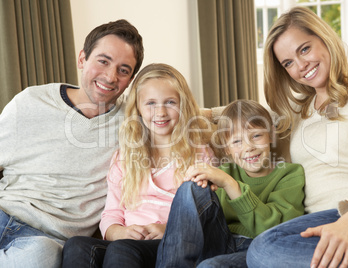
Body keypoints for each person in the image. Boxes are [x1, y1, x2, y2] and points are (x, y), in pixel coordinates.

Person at [246, 6, 348, 268]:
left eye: (304, 49)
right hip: (314, 227)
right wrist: (188, 111)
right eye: (288, 63)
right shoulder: (297, 114)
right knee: (214, 265)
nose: (300, 65)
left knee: (262, 249)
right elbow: (244, 117)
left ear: (324, 38)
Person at [0, 19, 144, 267]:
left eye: (123, 70)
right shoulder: (30, 102)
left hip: (45, 241)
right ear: (82, 59)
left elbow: (187, 113)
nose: (110, 76)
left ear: (130, 79)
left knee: (38, 257)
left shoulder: (133, 121)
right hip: (5, 214)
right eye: (103, 61)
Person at [62, 63, 215, 268]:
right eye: (150, 103)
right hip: (129, 240)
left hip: (173, 243)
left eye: (170, 102)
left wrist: (168, 229)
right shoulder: (125, 157)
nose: (160, 112)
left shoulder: (198, 154)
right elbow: (111, 213)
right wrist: (119, 231)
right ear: (138, 109)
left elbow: (205, 212)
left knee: (122, 249)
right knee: (77, 245)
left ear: (183, 106)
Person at [156, 99, 305, 267]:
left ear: (270, 135)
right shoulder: (224, 172)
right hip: (219, 241)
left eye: (256, 136)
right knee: (191, 187)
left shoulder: (290, 174)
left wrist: (229, 184)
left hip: (256, 249)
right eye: (237, 142)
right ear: (227, 149)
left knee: (209, 266)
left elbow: (277, 230)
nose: (248, 147)